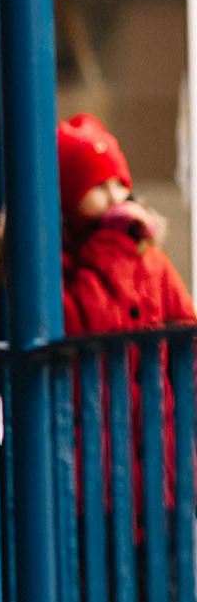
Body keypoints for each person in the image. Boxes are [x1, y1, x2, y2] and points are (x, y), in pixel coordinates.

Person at [57, 111, 194, 521]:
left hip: (162, 466)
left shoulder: (150, 257)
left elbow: (185, 333)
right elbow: (83, 327)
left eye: (121, 184)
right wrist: (111, 248)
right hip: (96, 478)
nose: (117, 197)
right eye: (99, 186)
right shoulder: (63, 262)